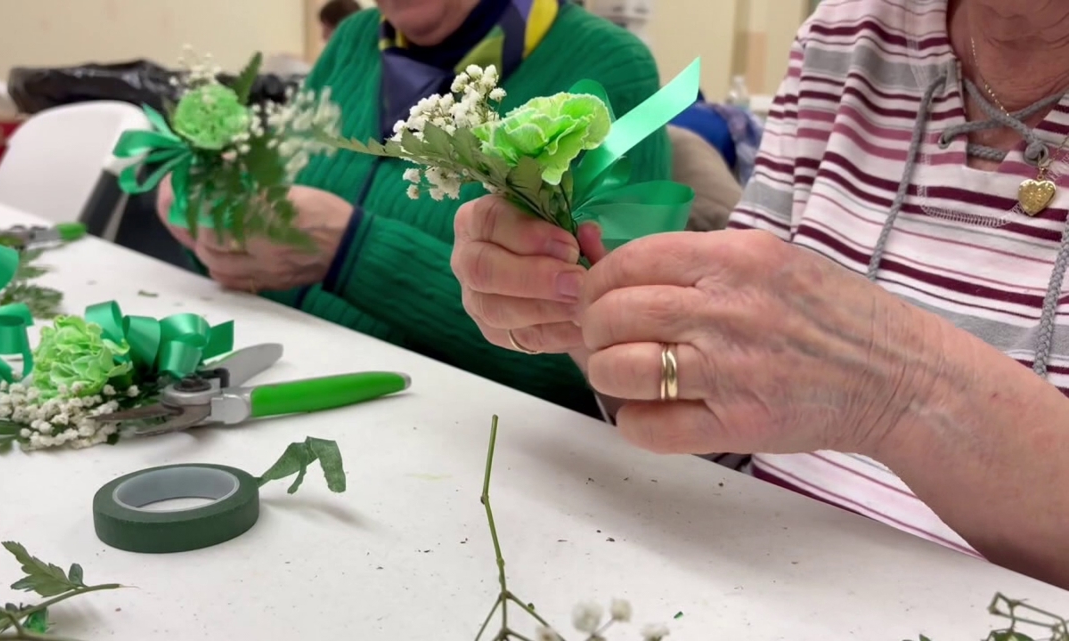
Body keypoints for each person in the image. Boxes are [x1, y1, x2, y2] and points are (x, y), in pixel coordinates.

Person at [449, 0, 1069, 590]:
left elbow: (852, 381)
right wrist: (588, 312)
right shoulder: (846, 37)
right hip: (746, 575)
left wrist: (893, 389)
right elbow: (733, 439)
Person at [156, 0, 671, 418]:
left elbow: (600, 369)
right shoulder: (355, 40)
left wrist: (355, 253)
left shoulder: (608, 66)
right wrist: (216, 221)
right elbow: (283, 251)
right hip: (288, 397)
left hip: (468, 452)